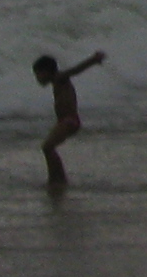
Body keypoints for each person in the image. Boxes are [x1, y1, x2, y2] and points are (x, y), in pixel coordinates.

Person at [31, 49, 105, 190]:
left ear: (46, 71)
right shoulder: (57, 82)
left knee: (47, 147)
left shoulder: (59, 78)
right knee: (48, 148)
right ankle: (57, 178)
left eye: (38, 74)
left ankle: (58, 179)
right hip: (65, 121)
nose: (37, 79)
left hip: (69, 120)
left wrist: (93, 60)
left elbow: (75, 70)